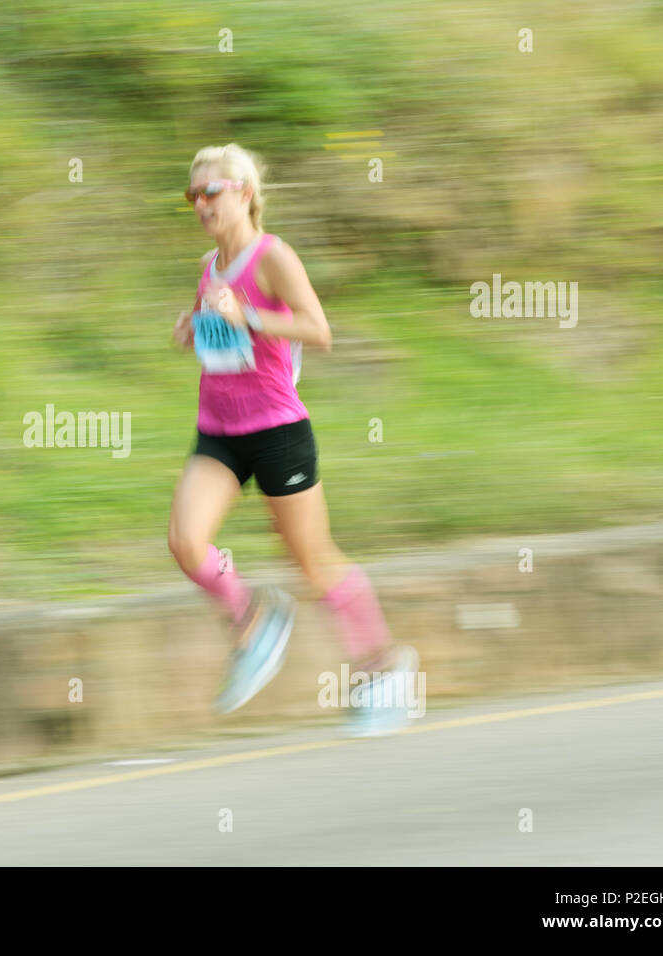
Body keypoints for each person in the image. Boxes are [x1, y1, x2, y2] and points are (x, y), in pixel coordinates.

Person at [168, 143, 418, 734]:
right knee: (185, 541)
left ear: (246, 194)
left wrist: (248, 316)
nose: (201, 204)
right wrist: (192, 329)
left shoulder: (272, 257)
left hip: (278, 431)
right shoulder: (209, 266)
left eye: (212, 192)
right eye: (192, 195)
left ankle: (383, 671)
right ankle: (253, 619)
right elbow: (220, 338)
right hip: (220, 431)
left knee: (312, 561)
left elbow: (318, 329)